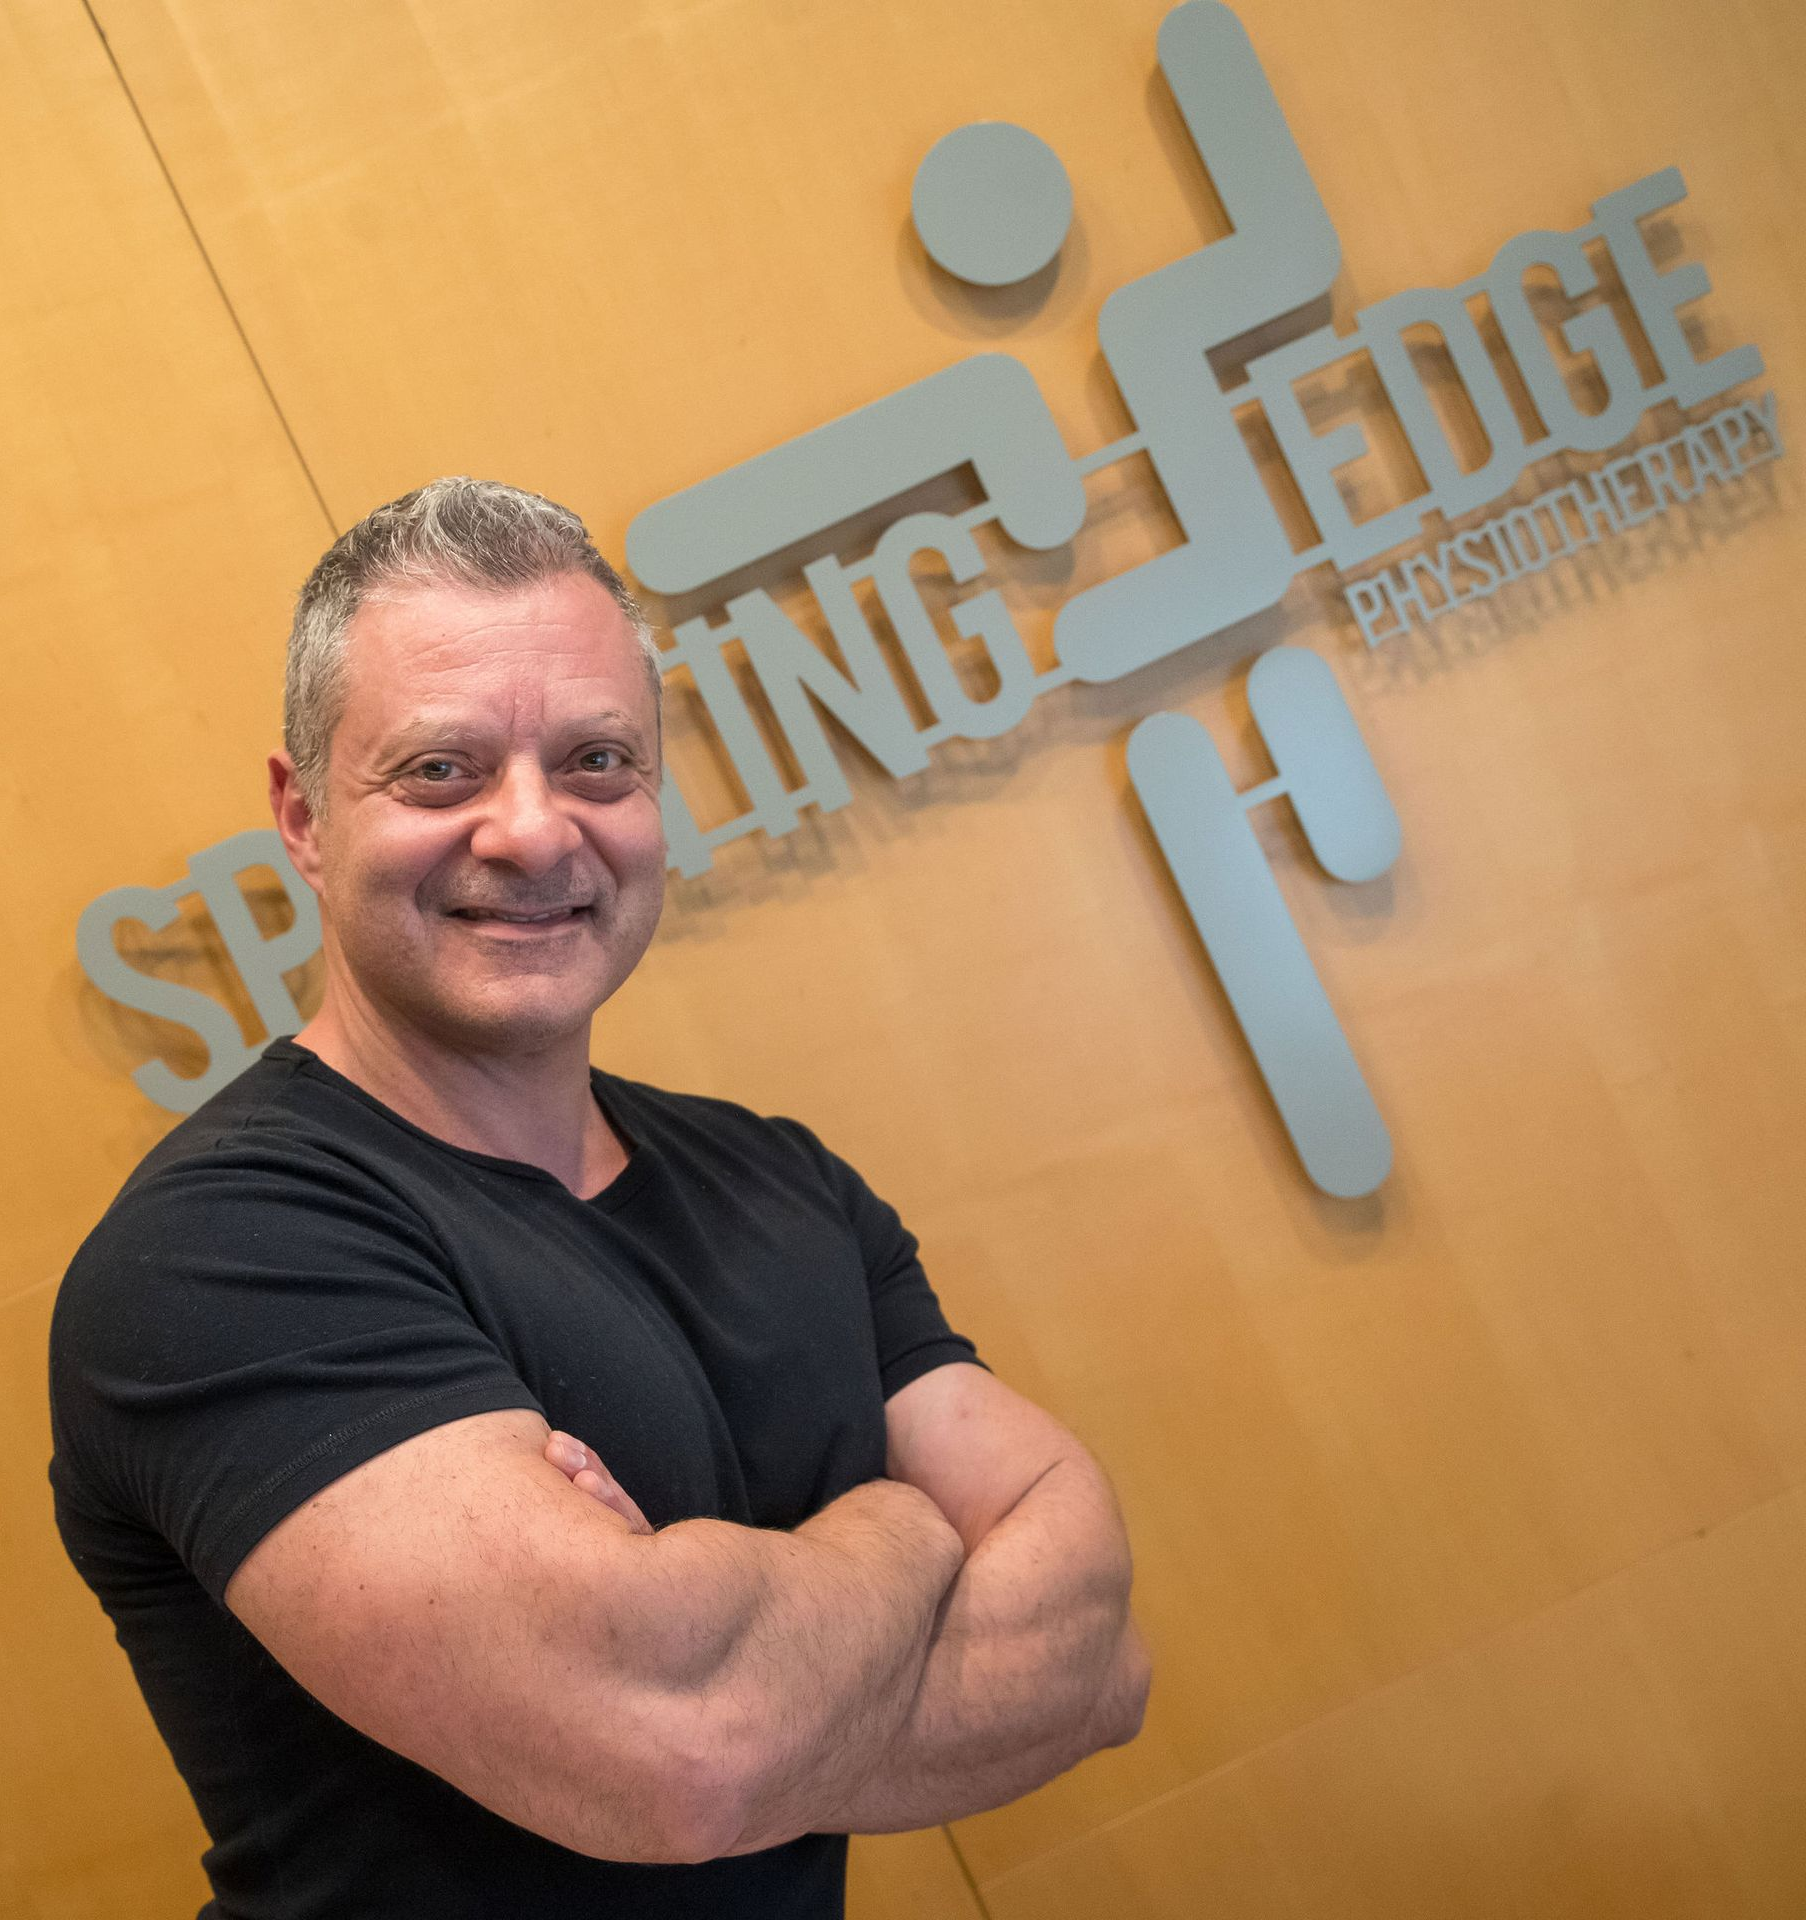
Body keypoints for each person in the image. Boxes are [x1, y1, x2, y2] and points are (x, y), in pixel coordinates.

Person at [48, 478, 1149, 1919]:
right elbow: (680, 1756)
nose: (532, 832)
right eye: (441, 770)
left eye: (597, 762)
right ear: (303, 818)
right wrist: (907, 1529)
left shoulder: (782, 1180)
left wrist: (740, 1663)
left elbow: (1099, 1659)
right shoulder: (224, 1252)